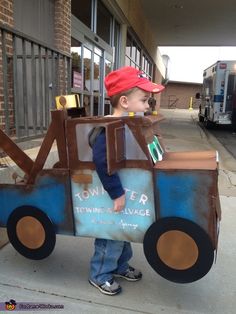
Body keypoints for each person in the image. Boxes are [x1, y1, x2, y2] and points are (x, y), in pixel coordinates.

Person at [88, 66, 165, 295]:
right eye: (144, 100)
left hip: (126, 189)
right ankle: (100, 274)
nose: (146, 106)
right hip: (112, 194)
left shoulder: (127, 124)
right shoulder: (109, 129)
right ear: (124, 101)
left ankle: (120, 266)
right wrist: (116, 192)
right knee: (110, 234)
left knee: (124, 232)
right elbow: (102, 162)